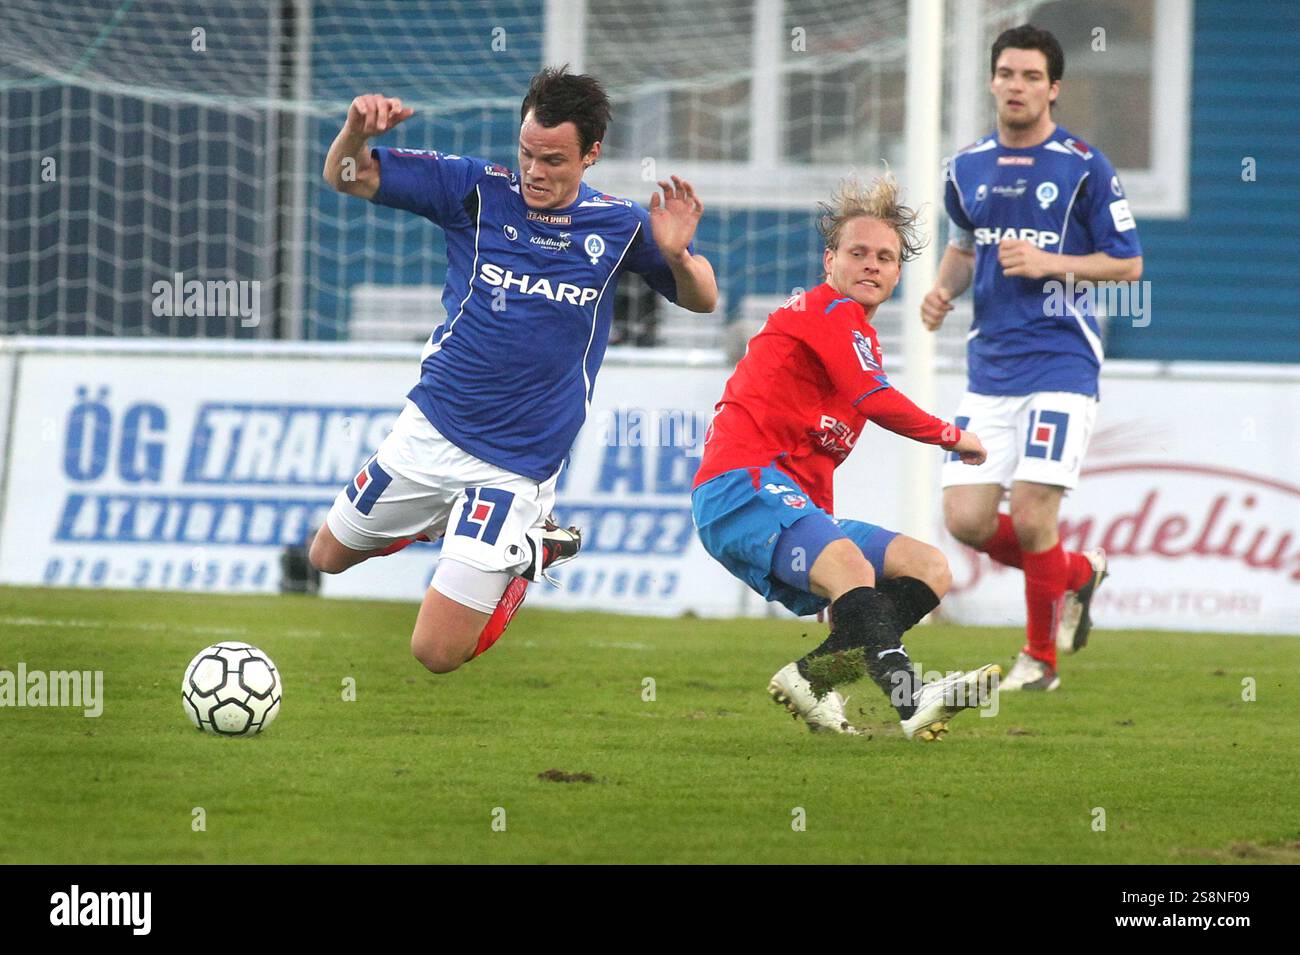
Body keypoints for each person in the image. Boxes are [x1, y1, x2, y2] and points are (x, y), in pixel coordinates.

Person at [311, 66, 718, 673]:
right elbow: (347, 175)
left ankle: (529, 548)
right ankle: (442, 520)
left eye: (553, 160)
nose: (535, 171)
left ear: (591, 155)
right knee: (327, 557)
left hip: (515, 464)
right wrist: (353, 132)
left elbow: (703, 299)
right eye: (527, 153)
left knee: (436, 653)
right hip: (431, 429)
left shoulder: (620, 225)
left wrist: (678, 254)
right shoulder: (474, 189)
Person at [691, 172, 1000, 741]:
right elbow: (873, 399)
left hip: (784, 497)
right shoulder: (827, 311)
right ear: (829, 261)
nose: (871, 265)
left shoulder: (858, 335)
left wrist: (829, 566)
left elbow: (818, 457)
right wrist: (952, 436)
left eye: (885, 257)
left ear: (898, 273)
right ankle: (913, 699)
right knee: (855, 570)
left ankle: (814, 678)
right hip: (740, 487)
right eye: (857, 253)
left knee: (928, 568)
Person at [922, 25, 1143, 691]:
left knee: (1034, 511)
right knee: (964, 517)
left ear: (1054, 88)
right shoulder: (964, 168)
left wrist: (1052, 262)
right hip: (989, 367)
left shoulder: (1083, 166)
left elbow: (1128, 264)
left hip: (1061, 361)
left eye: (1030, 77)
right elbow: (964, 250)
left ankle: (1038, 661)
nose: (1017, 86)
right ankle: (1076, 574)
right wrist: (939, 289)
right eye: (1007, 74)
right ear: (993, 81)